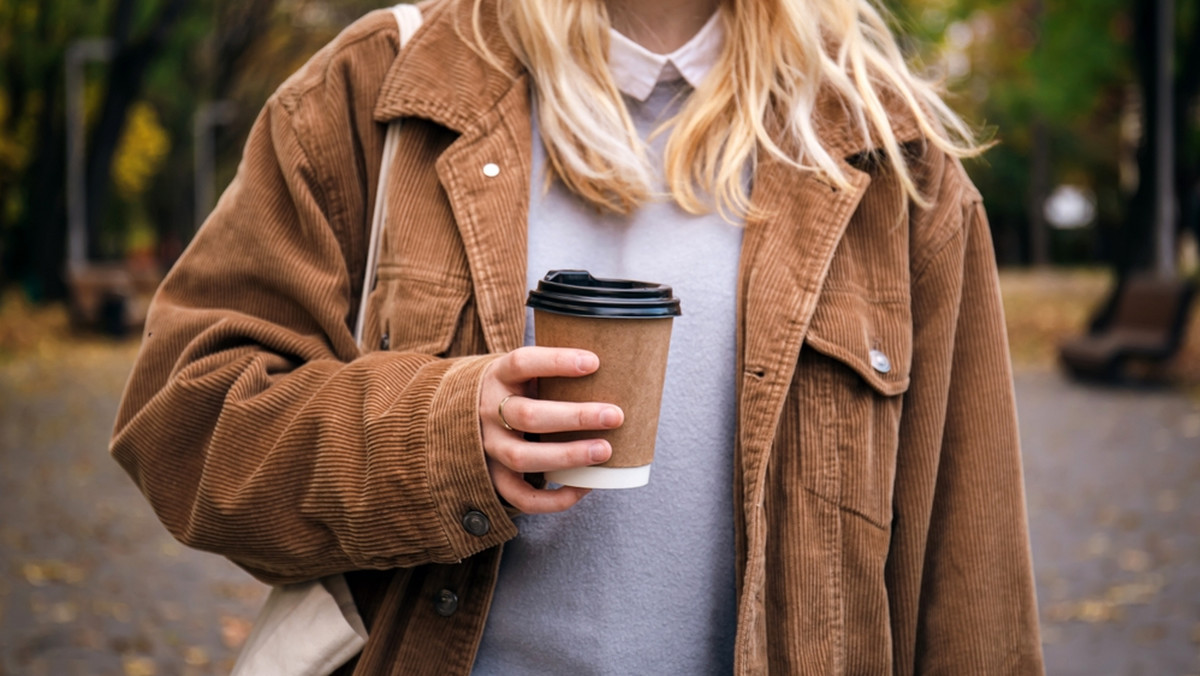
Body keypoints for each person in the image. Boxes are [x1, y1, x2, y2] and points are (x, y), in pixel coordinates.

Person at [111, 0, 1045, 673]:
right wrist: (436, 433)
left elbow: (972, 590)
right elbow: (182, 423)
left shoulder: (889, 155)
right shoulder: (378, 88)